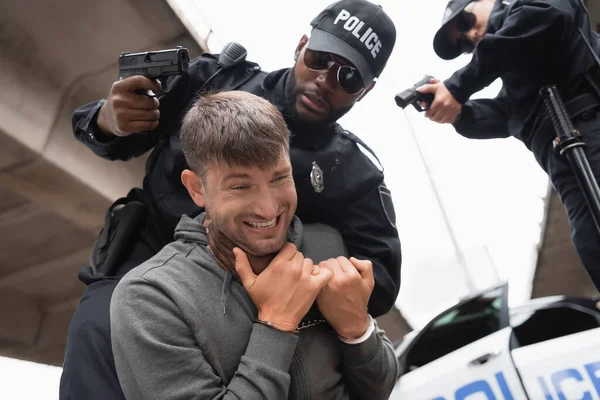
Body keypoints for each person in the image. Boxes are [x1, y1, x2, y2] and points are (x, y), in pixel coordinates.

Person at [59, 1, 401, 398]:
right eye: (320, 59)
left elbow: (379, 279)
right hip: (144, 258)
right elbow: (107, 136)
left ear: (367, 91)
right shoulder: (213, 78)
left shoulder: (354, 171)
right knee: (93, 349)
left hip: (255, 293)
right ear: (301, 44)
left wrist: (320, 288)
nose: (326, 80)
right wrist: (109, 121)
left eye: (348, 77)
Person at [110, 90, 399, 399]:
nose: (268, 208)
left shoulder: (326, 243)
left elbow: (380, 388)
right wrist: (276, 324)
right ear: (197, 189)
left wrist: (356, 328)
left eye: (279, 178)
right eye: (240, 186)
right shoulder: (150, 297)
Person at [416, 0, 600, 286]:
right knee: (591, 243)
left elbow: (546, 15)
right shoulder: (516, 80)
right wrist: (456, 113)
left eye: (464, 23)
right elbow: (503, 116)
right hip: (567, 173)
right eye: (464, 45)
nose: (471, 37)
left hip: (591, 130)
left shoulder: (529, 10)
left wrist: (457, 86)